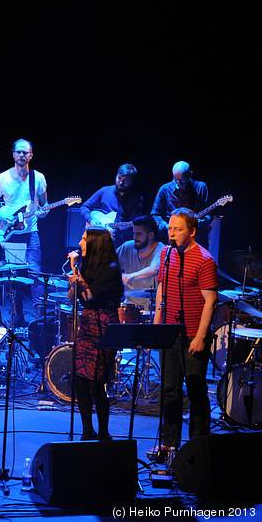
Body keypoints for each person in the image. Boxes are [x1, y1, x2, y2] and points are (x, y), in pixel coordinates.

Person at [152, 208, 217, 461]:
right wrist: (157, 324)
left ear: (192, 231)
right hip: (169, 333)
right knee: (169, 390)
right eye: (170, 228)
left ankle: (198, 446)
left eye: (177, 229)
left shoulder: (204, 259)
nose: (171, 233)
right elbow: (161, 289)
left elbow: (210, 301)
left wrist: (201, 337)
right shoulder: (166, 254)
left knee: (196, 390)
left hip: (193, 333)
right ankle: (169, 444)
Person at [67, 227, 124, 441]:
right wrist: (74, 277)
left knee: (96, 382)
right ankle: (87, 431)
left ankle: (103, 433)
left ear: (96, 244)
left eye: (84, 239)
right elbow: (74, 298)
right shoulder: (86, 266)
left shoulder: (110, 270)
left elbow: (91, 296)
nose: (80, 243)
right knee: (80, 380)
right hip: (87, 326)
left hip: (104, 328)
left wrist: (78, 277)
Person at [0, 139, 48, 323]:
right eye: (18, 152)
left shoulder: (39, 178)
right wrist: (1, 217)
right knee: (13, 276)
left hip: (31, 232)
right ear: (13, 154)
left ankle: (39, 319)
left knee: (35, 273)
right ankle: (16, 316)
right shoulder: (2, 178)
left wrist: (44, 212)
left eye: (25, 152)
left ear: (31, 156)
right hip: (10, 235)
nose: (21, 155)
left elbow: (45, 206)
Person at [80, 163, 143, 246]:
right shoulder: (104, 191)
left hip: (120, 241)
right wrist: (91, 220)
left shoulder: (136, 199)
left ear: (131, 182)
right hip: (98, 239)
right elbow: (84, 207)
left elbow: (134, 224)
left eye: (126, 180)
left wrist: (116, 230)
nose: (121, 182)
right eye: (119, 178)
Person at [151, 161, 210, 245]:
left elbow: (210, 214)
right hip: (172, 238)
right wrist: (167, 226)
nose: (178, 183)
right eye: (176, 179)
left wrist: (203, 221)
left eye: (182, 180)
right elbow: (155, 215)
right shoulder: (165, 189)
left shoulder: (201, 187)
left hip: (196, 238)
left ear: (190, 175)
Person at [116, 215, 165, 310]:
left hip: (152, 310)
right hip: (129, 308)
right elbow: (109, 261)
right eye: (134, 233)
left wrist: (130, 276)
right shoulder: (127, 247)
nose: (135, 237)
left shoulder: (161, 249)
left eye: (138, 234)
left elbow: (154, 269)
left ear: (151, 235)